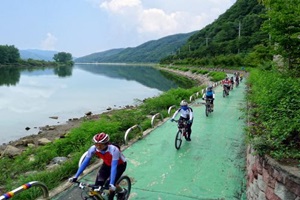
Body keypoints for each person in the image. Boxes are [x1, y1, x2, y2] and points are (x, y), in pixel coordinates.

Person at [69, 133, 127, 200]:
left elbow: (114, 167)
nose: (98, 147)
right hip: (106, 164)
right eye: (96, 144)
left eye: (101, 145)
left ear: (107, 144)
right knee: (97, 186)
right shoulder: (93, 148)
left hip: (119, 165)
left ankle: (121, 192)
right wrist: (75, 177)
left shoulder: (114, 150)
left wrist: (111, 184)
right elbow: (85, 162)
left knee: (109, 185)